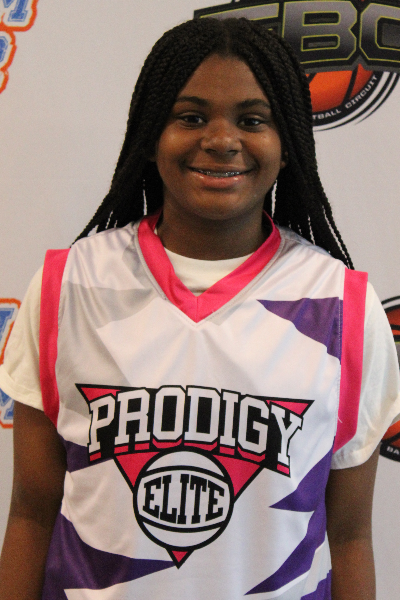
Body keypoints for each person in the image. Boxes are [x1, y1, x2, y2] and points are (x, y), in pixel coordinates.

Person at [0, 17, 399, 600]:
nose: (221, 139)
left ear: (288, 142)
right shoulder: (70, 286)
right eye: (189, 117)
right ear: (149, 135)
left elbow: (350, 536)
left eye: (252, 120)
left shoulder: (344, 308)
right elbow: (32, 514)